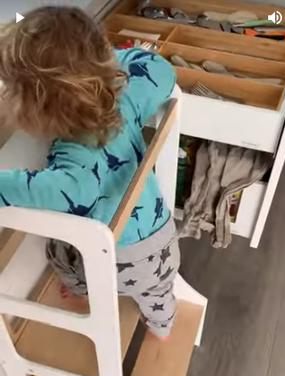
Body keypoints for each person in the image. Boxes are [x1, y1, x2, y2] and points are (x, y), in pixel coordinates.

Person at [0, 6, 180, 340]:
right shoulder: (123, 102)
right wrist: (93, 61)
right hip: (163, 245)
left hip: (116, 266)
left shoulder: (74, 159)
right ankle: (162, 326)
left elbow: (67, 193)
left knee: (57, 249)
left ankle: (84, 293)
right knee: (158, 296)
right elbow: (160, 69)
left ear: (36, 105)